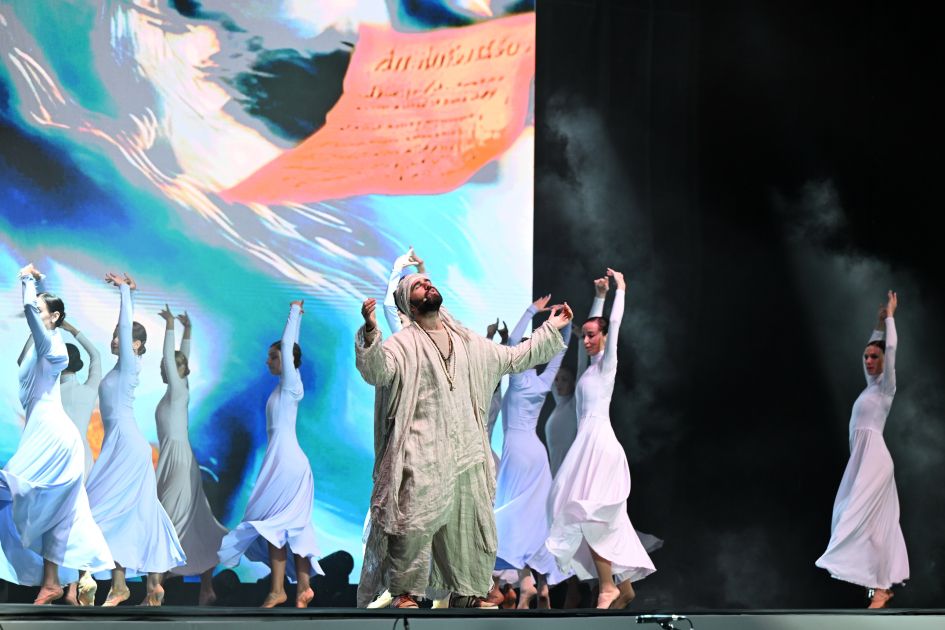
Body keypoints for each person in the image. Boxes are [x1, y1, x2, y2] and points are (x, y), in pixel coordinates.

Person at [354, 272, 572, 608]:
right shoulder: (403, 344)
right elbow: (377, 371)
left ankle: (467, 591)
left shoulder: (468, 341)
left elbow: (514, 357)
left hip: (466, 450)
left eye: (428, 281)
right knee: (413, 524)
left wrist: (550, 327)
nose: (427, 285)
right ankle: (405, 593)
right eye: (418, 285)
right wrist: (371, 331)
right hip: (421, 450)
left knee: (469, 526)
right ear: (408, 304)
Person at [0, 264, 113, 605]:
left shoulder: (53, 347)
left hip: (54, 436)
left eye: (41, 310)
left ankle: (57, 581)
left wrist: (27, 280)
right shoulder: (39, 345)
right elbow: (32, 331)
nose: (34, 313)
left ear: (54, 317)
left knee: (9, 489)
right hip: (44, 432)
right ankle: (51, 582)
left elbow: (32, 311)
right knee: (60, 512)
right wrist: (38, 289)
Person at [545, 269, 655, 609]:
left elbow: (614, 324)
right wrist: (599, 296)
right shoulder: (588, 368)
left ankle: (607, 586)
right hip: (586, 444)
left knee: (588, 513)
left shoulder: (607, 364)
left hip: (600, 445)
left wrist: (619, 291)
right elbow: (591, 328)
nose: (587, 340)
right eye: (586, 336)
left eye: (593, 336)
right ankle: (623, 587)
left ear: (604, 338)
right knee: (587, 511)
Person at [85, 272, 185, 606]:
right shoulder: (120, 369)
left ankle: (116, 585)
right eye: (114, 336)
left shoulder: (130, 366)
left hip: (126, 446)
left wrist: (125, 292)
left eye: (121, 336)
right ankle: (149, 585)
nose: (115, 339)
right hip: (120, 444)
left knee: (101, 509)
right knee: (133, 514)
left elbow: (128, 325)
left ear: (137, 345)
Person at [218, 300, 323, 608]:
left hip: (286, 463)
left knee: (274, 523)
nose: (268, 361)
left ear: (287, 360)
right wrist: (296, 319)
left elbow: (290, 346)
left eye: (273, 357)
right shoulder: (283, 388)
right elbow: (291, 348)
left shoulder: (290, 384)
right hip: (284, 461)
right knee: (288, 525)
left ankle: (279, 590)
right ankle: (302, 588)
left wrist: (294, 312)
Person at [815, 291, 908, 609]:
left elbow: (889, 349)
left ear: (884, 363)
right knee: (863, 521)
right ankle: (880, 587)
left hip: (875, 461)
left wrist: (891, 317)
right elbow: (875, 346)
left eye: (874, 358)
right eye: (866, 357)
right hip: (861, 461)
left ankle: (878, 586)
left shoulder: (885, 388)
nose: (868, 361)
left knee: (853, 515)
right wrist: (878, 324)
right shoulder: (869, 387)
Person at [494, 295, 572, 608]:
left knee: (511, 519)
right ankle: (541, 585)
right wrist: (567, 324)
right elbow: (560, 351)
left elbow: (514, 342)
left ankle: (526, 582)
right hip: (537, 454)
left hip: (516, 450)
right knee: (536, 520)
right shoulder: (542, 381)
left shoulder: (517, 377)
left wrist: (531, 311)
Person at [155, 305, 228, 605]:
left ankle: (155, 589)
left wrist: (170, 325)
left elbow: (172, 360)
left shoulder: (177, 390)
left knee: (168, 520)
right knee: (195, 521)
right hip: (174, 460)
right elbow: (179, 359)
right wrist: (188, 330)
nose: (162, 370)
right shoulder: (178, 389)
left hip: (178, 462)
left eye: (165, 367)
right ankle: (206, 587)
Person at [58, 320, 102, 479]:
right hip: (83, 457)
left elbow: (23, 363)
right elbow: (96, 355)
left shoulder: (49, 394)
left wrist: (42, 330)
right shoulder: (89, 391)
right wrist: (72, 330)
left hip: (57, 457)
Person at [545, 365, 576, 478]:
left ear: (574, 383)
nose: (559, 384)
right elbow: (551, 369)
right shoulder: (559, 402)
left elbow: (581, 366)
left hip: (569, 475)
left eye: (564, 380)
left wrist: (582, 351)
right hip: (553, 475)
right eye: (556, 379)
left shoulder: (575, 404)